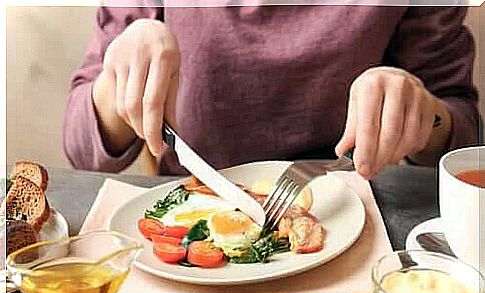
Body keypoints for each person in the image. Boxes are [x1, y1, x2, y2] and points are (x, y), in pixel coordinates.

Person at [63, 5, 480, 179]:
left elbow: (464, 134)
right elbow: (82, 148)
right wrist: (120, 80)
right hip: (189, 216)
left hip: (357, 217)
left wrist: (423, 113)